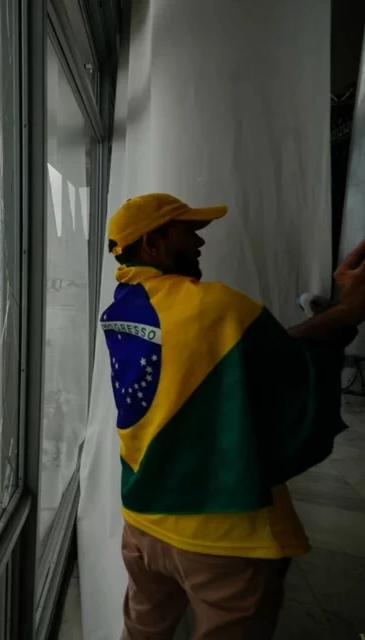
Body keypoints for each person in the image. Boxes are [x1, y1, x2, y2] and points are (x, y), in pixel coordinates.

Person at [102, 193, 364, 640]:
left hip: (143, 520)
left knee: (142, 630)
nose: (200, 243)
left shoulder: (121, 309)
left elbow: (234, 354)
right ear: (152, 245)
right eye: (188, 233)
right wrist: (349, 310)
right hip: (218, 534)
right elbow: (290, 365)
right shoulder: (219, 307)